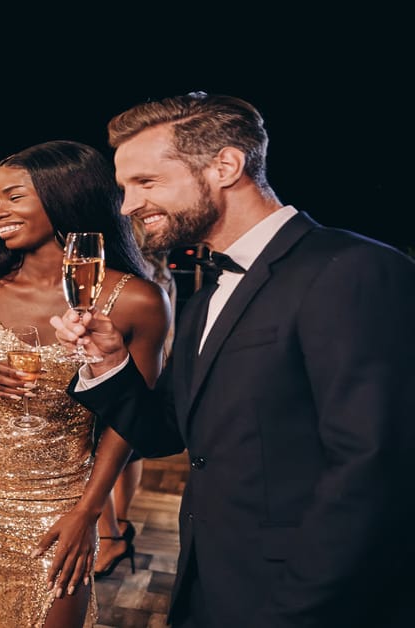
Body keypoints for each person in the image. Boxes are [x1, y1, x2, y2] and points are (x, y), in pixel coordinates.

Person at [52, 92, 415, 628]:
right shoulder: (203, 300)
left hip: (303, 602)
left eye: (146, 183)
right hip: (210, 585)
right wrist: (109, 362)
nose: (127, 206)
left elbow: (375, 474)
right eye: (125, 188)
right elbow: (165, 435)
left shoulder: (354, 270)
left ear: (225, 166)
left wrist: (293, 610)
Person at [0, 140, 170, 626]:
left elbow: (130, 420)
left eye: (14, 197)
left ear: (65, 196)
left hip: (58, 500)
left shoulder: (136, 300)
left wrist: (90, 512)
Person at [93, 218, 177, 578]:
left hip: (117, 366)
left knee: (98, 451)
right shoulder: (161, 274)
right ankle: (121, 524)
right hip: (154, 364)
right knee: (129, 449)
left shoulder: (127, 278)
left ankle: (110, 534)